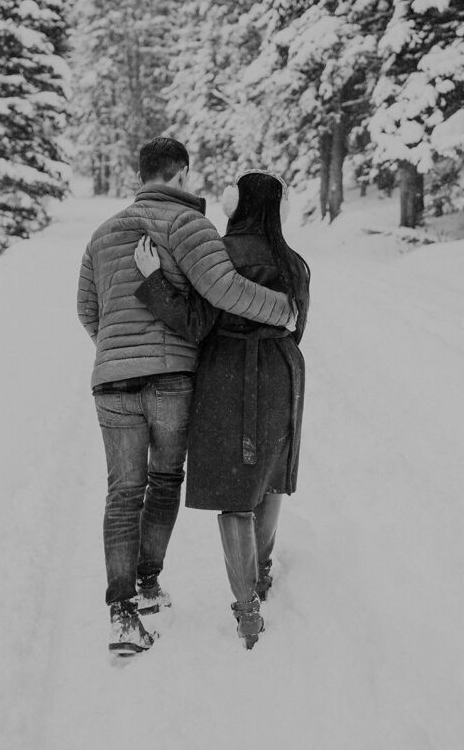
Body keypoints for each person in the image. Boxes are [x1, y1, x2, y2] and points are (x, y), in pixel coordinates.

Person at [76, 139, 295, 657]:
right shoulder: (187, 225)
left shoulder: (102, 233)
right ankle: (149, 585)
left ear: (141, 172)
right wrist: (283, 310)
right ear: (182, 173)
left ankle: (123, 616)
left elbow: (88, 310)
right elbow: (225, 290)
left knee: (122, 493)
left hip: (111, 382)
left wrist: (117, 353)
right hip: (172, 378)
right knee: (164, 480)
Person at [133, 168, 310, 649]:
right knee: (269, 475)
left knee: (235, 491)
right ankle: (263, 572)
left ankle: (247, 609)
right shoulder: (295, 263)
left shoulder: (223, 256)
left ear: (236, 205)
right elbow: (298, 328)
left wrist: (153, 283)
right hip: (281, 374)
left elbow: (193, 322)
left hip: (229, 376)